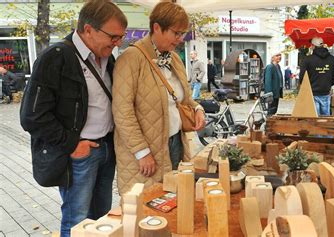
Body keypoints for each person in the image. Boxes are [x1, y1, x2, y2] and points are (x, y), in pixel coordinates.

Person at [19, 1, 127, 236]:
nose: (118, 42)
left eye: (121, 37)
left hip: (106, 148)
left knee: (101, 219)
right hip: (80, 154)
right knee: (77, 221)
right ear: (88, 29)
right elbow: (31, 117)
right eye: (114, 36)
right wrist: (72, 145)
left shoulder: (107, 58)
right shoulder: (55, 57)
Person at [112, 1, 206, 196]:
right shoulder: (130, 58)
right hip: (146, 152)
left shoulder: (175, 58)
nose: (180, 39)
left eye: (183, 34)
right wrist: (141, 151)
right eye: (176, 33)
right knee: (146, 210)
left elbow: (185, 99)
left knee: (174, 202)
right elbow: (122, 112)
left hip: (176, 143)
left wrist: (198, 109)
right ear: (156, 27)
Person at [299, 37, 334, 116]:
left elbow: (302, 78)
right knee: (325, 120)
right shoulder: (332, 59)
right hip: (326, 93)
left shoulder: (307, 60)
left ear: (313, 46)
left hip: (311, 94)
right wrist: (327, 84)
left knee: (314, 120)